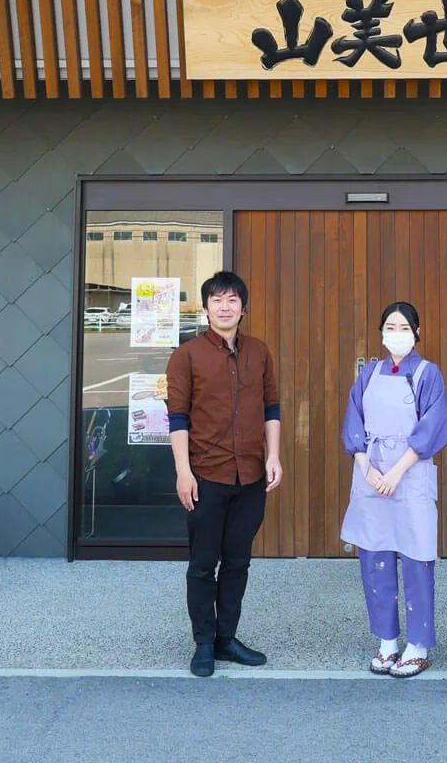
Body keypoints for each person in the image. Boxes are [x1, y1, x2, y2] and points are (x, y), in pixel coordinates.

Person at [167, 270, 283, 678]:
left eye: (232, 299)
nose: (224, 306)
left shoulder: (259, 352)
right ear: (205, 309)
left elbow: (271, 408)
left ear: (243, 308)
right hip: (206, 477)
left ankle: (226, 639)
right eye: (216, 300)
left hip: (250, 477)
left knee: (237, 562)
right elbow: (177, 418)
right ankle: (203, 643)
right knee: (203, 564)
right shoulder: (187, 356)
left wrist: (274, 456)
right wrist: (183, 472)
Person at [340, 301, 447, 678]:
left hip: (410, 474)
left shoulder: (427, 374)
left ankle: (418, 644)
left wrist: (396, 472)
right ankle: (387, 640)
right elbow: (354, 423)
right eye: (391, 327)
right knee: (375, 558)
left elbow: (432, 428)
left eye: (405, 328)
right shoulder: (369, 373)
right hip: (371, 474)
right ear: (381, 332)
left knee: (417, 558)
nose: (397, 334)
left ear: (417, 333)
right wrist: (367, 468)